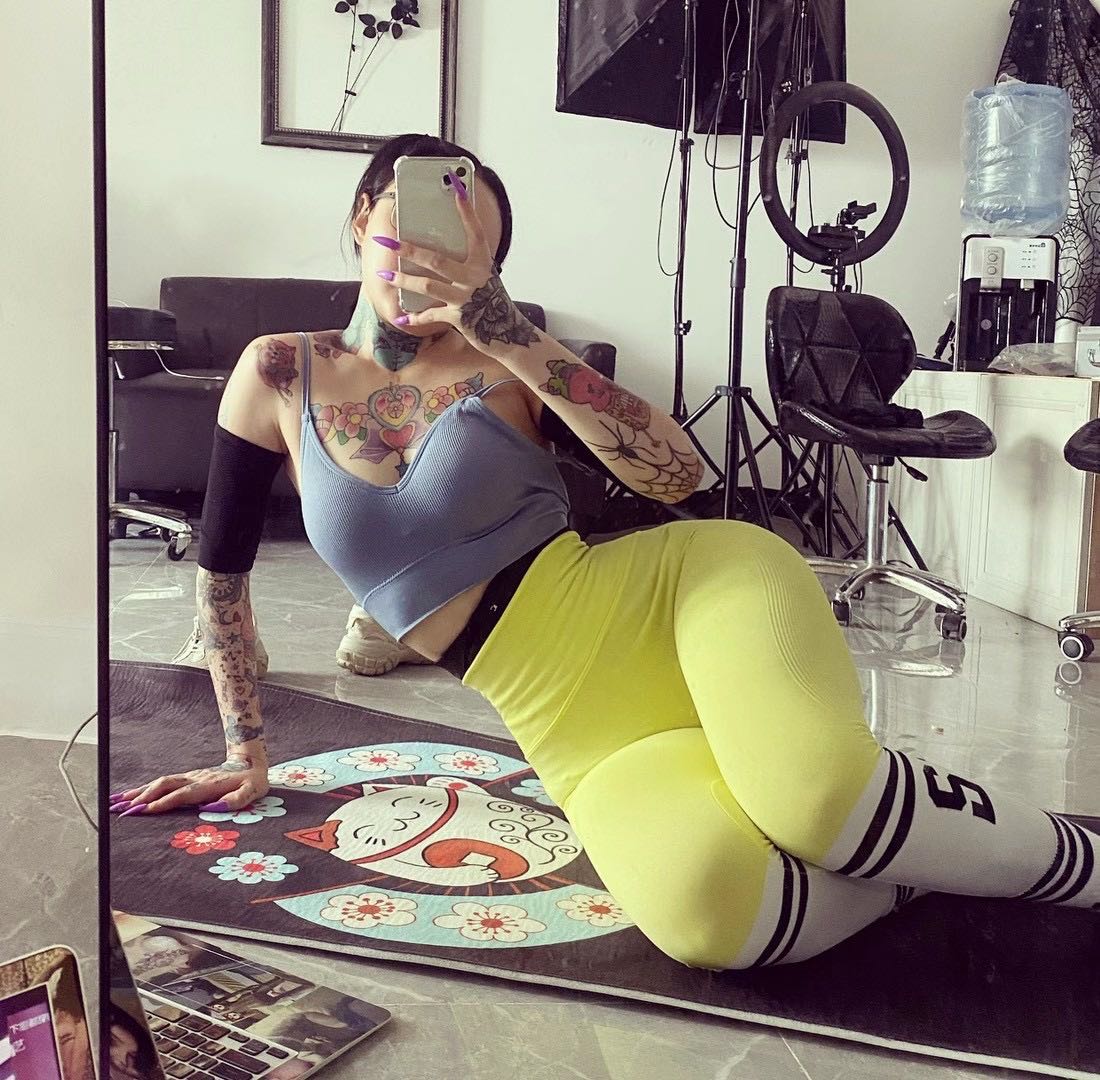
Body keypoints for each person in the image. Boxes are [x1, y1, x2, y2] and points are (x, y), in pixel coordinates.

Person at [112, 133, 1099, 970]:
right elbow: (221, 573)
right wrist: (244, 752)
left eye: (469, 245)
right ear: (363, 214)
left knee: (816, 800)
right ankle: (925, 864)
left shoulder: (511, 361)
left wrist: (507, 333)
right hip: (577, 729)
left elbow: (676, 475)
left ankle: (1071, 861)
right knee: (708, 917)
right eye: (414, 222)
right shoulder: (278, 371)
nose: (432, 257)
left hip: (683, 598)